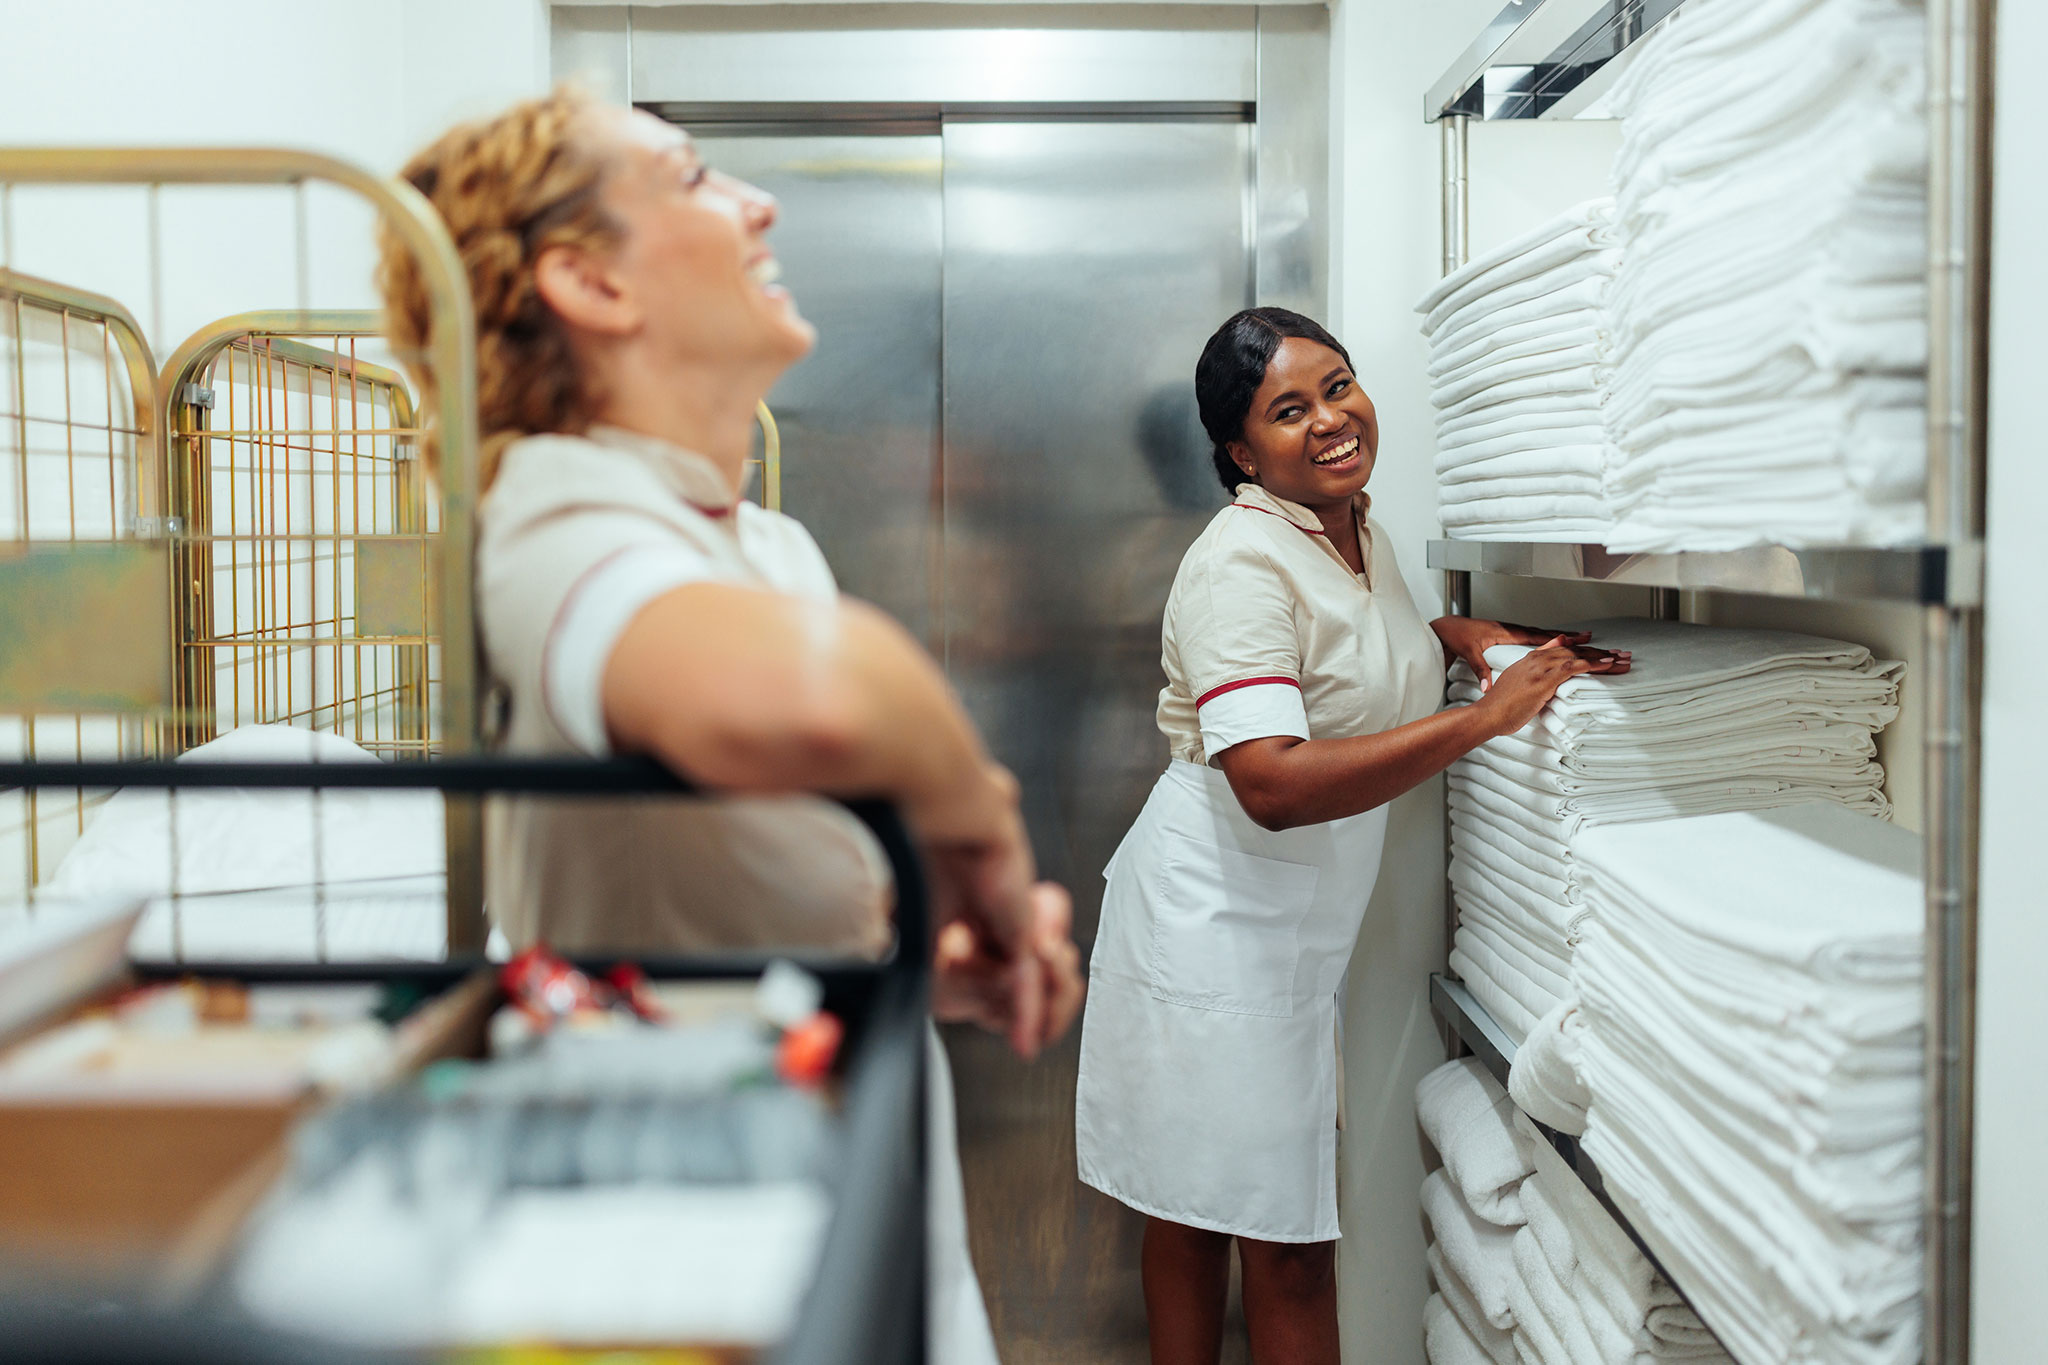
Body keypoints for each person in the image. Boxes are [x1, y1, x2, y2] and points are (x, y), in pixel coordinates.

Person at [376, 87, 1083, 1362]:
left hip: (829, 1176)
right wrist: (983, 827)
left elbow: (723, 895)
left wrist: (908, 967)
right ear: (590, 282)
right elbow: (811, 700)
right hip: (687, 1248)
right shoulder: (551, 510)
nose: (758, 204)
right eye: (695, 178)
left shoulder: (762, 541)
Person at [1073, 307, 1628, 1365]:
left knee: (1202, 1197)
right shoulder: (1240, 562)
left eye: (1338, 385)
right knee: (1261, 1233)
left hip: (1277, 926)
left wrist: (1459, 637)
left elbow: (1348, 660)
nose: (1330, 420)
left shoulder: (1348, 531)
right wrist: (1480, 719)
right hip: (1211, 923)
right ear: (1240, 450)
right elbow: (1269, 781)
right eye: (1288, 410)